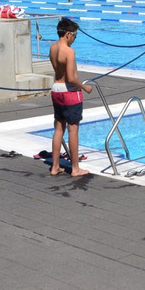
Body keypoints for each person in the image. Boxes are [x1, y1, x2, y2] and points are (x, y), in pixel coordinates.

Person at [49, 16, 93, 177]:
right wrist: (84, 87)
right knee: (73, 129)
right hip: (70, 93)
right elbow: (71, 78)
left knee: (58, 127)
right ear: (68, 34)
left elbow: (57, 70)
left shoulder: (52, 47)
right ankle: (75, 168)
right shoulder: (69, 51)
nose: (74, 39)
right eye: (74, 35)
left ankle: (55, 166)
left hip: (56, 90)